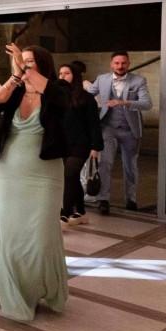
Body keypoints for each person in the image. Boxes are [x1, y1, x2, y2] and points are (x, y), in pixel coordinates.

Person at [0, 43, 70, 322]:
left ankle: (43, 287)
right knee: (10, 236)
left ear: (42, 64)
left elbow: (61, 101)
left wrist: (26, 70)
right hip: (10, 171)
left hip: (44, 173)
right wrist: (15, 77)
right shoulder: (16, 90)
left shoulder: (57, 89)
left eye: (30, 61)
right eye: (22, 61)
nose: (25, 65)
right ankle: (18, 294)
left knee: (41, 238)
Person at [88, 51, 152, 214]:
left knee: (130, 166)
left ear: (128, 64)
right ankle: (103, 199)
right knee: (105, 163)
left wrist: (124, 102)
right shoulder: (102, 79)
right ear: (111, 64)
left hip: (130, 130)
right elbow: (86, 96)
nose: (120, 66)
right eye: (116, 63)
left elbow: (147, 104)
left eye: (123, 63)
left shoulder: (138, 80)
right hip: (107, 128)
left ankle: (131, 199)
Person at [59, 61, 103, 225]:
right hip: (63, 143)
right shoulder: (58, 96)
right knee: (73, 177)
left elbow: (94, 124)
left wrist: (95, 147)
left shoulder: (87, 98)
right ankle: (81, 211)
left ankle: (65, 212)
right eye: (60, 73)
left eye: (67, 73)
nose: (62, 76)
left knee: (69, 174)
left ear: (75, 76)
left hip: (81, 144)